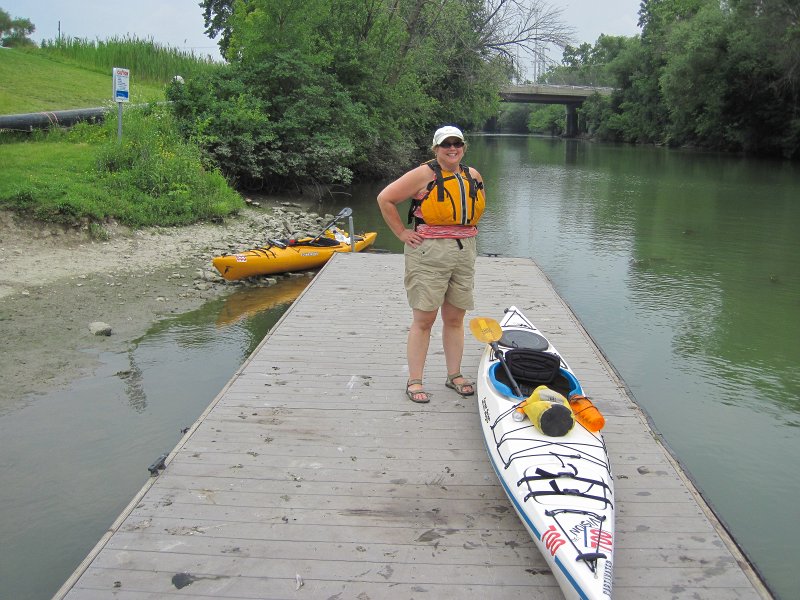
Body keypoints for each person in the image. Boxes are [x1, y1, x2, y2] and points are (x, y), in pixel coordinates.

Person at [377, 125, 486, 403]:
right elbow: (385, 198)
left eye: (457, 143)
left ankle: (454, 375)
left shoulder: (472, 175)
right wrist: (402, 232)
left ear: (464, 146)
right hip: (429, 253)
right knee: (424, 318)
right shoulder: (423, 175)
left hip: (464, 251)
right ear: (436, 149)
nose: (452, 149)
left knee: (455, 318)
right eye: (446, 144)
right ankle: (415, 381)